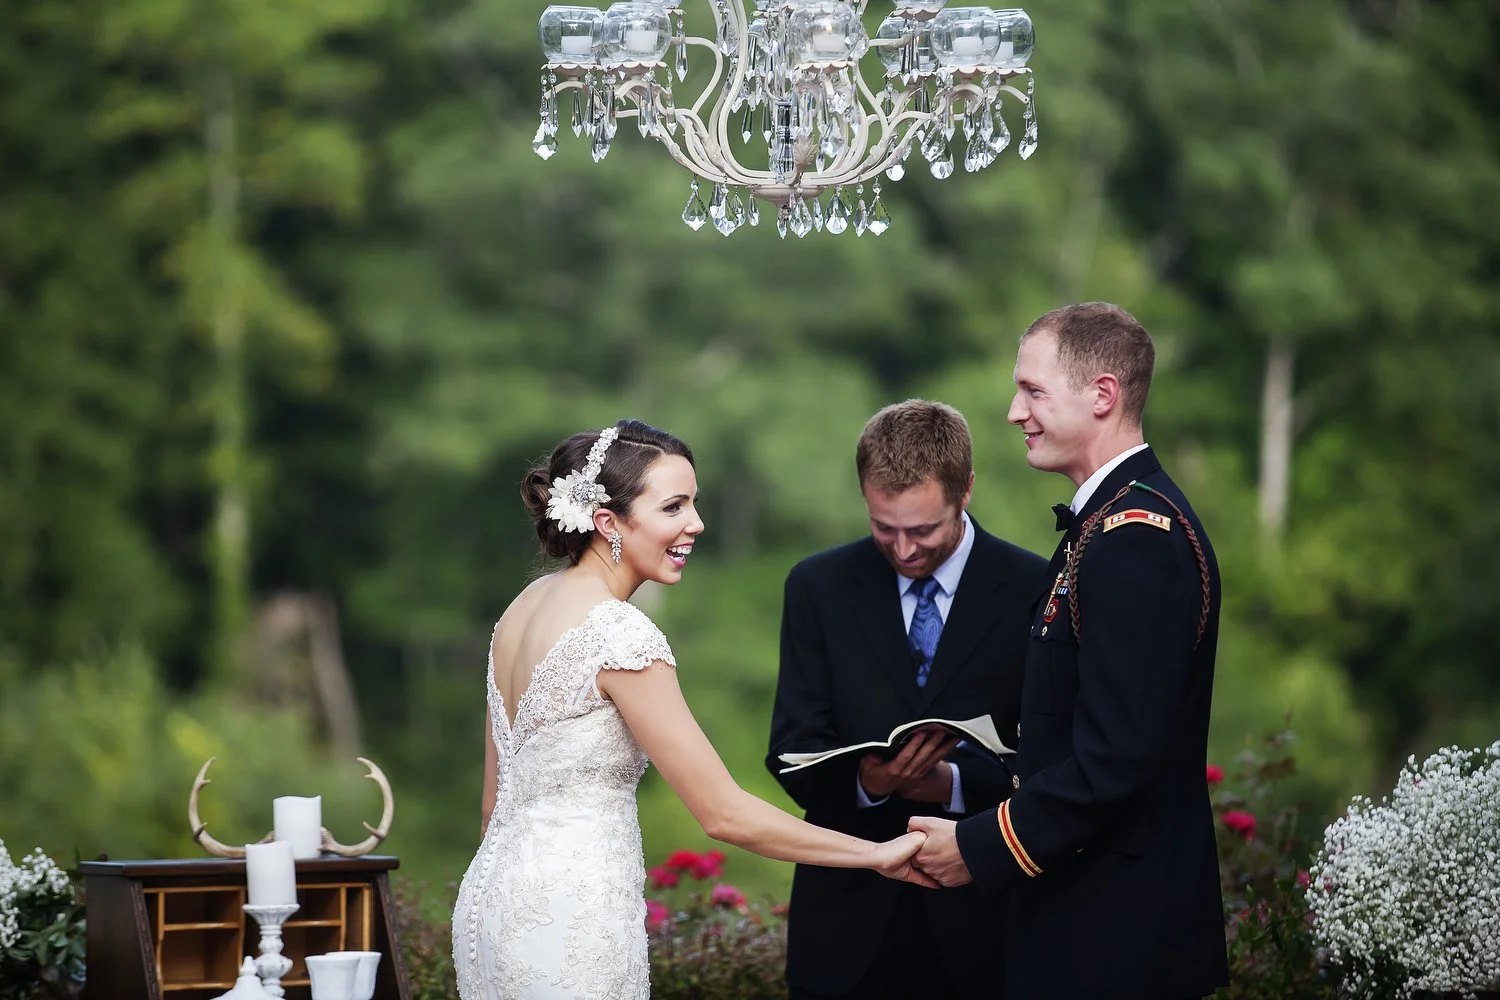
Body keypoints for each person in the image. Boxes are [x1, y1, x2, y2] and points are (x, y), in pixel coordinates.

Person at [450, 419, 932, 1000]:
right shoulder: (618, 635)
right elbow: (724, 814)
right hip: (571, 920)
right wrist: (875, 854)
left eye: (694, 503)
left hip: (491, 908)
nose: (695, 524)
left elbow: (492, 807)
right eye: (674, 507)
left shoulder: (524, 606)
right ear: (608, 523)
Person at [908, 304, 1230, 1000]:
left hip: (1117, 933)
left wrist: (979, 846)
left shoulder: (1136, 538)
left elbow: (1116, 760)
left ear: (1103, 395)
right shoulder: (1106, 525)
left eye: (1032, 391)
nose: (1012, 412)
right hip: (1089, 918)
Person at [766, 400, 1048, 1000]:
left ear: (965, 490)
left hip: (983, 927)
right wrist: (870, 780)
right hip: (845, 929)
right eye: (882, 527)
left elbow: (1053, 761)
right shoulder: (817, 587)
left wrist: (948, 783)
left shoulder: (1035, 587)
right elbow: (791, 749)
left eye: (923, 529)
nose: (903, 549)